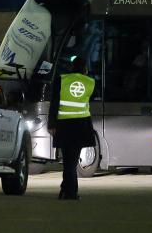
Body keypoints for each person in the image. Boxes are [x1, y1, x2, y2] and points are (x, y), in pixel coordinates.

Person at [48, 57, 96, 200]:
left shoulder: (61, 80)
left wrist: (51, 124)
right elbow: (90, 100)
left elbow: (54, 103)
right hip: (81, 126)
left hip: (63, 125)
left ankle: (66, 190)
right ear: (85, 68)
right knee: (72, 161)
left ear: (72, 67)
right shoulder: (90, 82)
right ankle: (70, 193)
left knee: (68, 161)